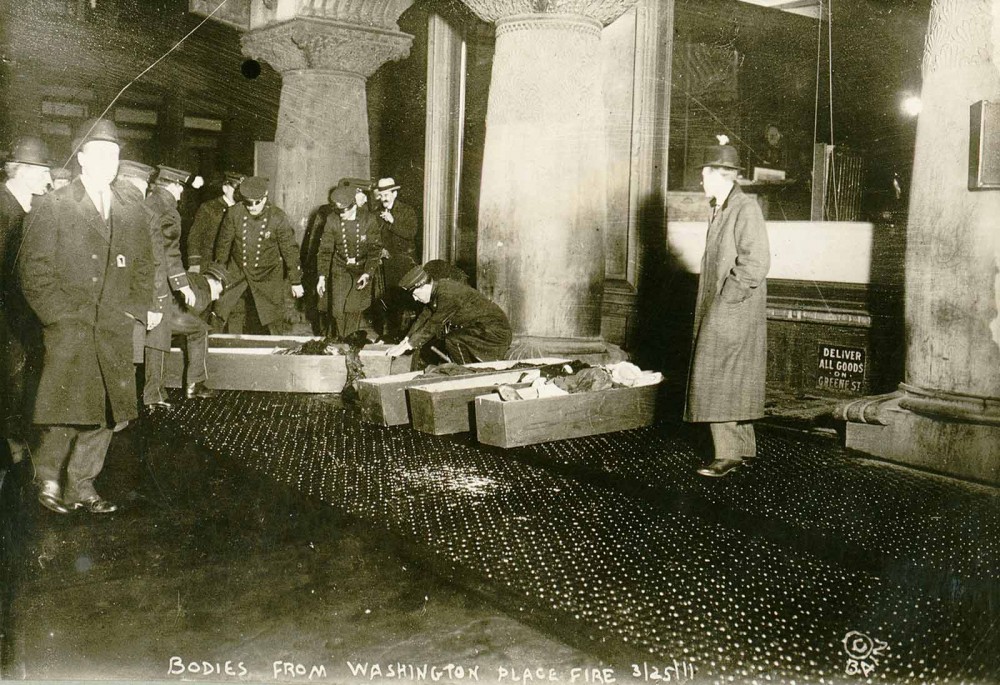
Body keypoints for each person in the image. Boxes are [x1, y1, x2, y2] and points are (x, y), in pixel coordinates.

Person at [17, 118, 155, 514]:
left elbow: (144, 263)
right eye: (101, 153)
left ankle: (82, 485)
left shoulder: (130, 208)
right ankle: (47, 479)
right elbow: (34, 271)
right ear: (81, 158)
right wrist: (57, 316)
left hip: (113, 323)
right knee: (64, 407)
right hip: (70, 325)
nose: (110, 162)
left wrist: (136, 307)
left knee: (107, 413)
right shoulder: (54, 206)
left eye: (115, 154)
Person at [685, 135, 770, 478]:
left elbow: (756, 262)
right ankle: (742, 449)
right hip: (729, 308)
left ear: (721, 175)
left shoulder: (744, 208)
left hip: (732, 308)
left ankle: (727, 454)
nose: (700, 180)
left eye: (704, 174)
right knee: (734, 376)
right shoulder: (724, 207)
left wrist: (726, 301)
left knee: (718, 376)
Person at [143, 166, 213, 408]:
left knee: (157, 336)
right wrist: (183, 286)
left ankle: (155, 394)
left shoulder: (146, 202)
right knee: (195, 329)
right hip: (158, 286)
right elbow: (169, 253)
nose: (181, 194)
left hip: (140, 284)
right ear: (172, 186)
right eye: (180, 188)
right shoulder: (168, 211)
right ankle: (189, 385)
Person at [1, 136, 52, 468]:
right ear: (22, 170)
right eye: (42, 169)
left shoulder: (22, 205)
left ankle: (14, 440)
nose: (47, 178)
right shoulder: (6, 207)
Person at [213, 176, 303, 334]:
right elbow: (223, 246)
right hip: (238, 269)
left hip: (267, 274)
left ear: (265, 197)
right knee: (225, 309)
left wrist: (295, 281)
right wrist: (217, 277)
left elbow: (290, 250)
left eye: (257, 202)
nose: (252, 207)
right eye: (248, 203)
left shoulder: (277, 217)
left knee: (272, 318)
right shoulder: (235, 213)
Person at [386, 263, 512, 366]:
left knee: (452, 340)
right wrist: (405, 340)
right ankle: (466, 370)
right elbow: (423, 319)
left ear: (424, 287)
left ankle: (466, 375)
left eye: (415, 294)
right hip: (480, 328)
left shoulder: (447, 293)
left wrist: (409, 345)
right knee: (452, 340)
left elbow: (433, 324)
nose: (415, 299)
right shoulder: (437, 290)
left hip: (495, 332)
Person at [315, 184, 381, 339]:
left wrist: (367, 273)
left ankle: (348, 342)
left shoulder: (368, 220)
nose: (341, 214)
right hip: (340, 267)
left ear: (353, 206)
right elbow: (325, 250)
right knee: (337, 309)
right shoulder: (332, 220)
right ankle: (341, 338)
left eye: (344, 211)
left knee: (353, 309)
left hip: (361, 269)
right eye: (338, 210)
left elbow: (375, 250)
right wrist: (322, 277)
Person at [372, 176, 419, 341]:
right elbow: (375, 236)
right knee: (385, 302)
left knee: (401, 302)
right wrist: (380, 250)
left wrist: (393, 222)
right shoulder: (377, 213)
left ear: (394, 194)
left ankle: (401, 336)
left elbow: (410, 233)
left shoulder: (406, 211)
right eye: (381, 194)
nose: (384, 197)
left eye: (387, 194)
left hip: (403, 264)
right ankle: (388, 335)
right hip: (384, 264)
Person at [186, 170, 243, 272]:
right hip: (209, 263)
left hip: (235, 266)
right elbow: (195, 237)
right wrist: (194, 263)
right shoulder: (209, 208)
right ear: (225, 188)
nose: (239, 193)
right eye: (236, 188)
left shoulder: (244, 209)